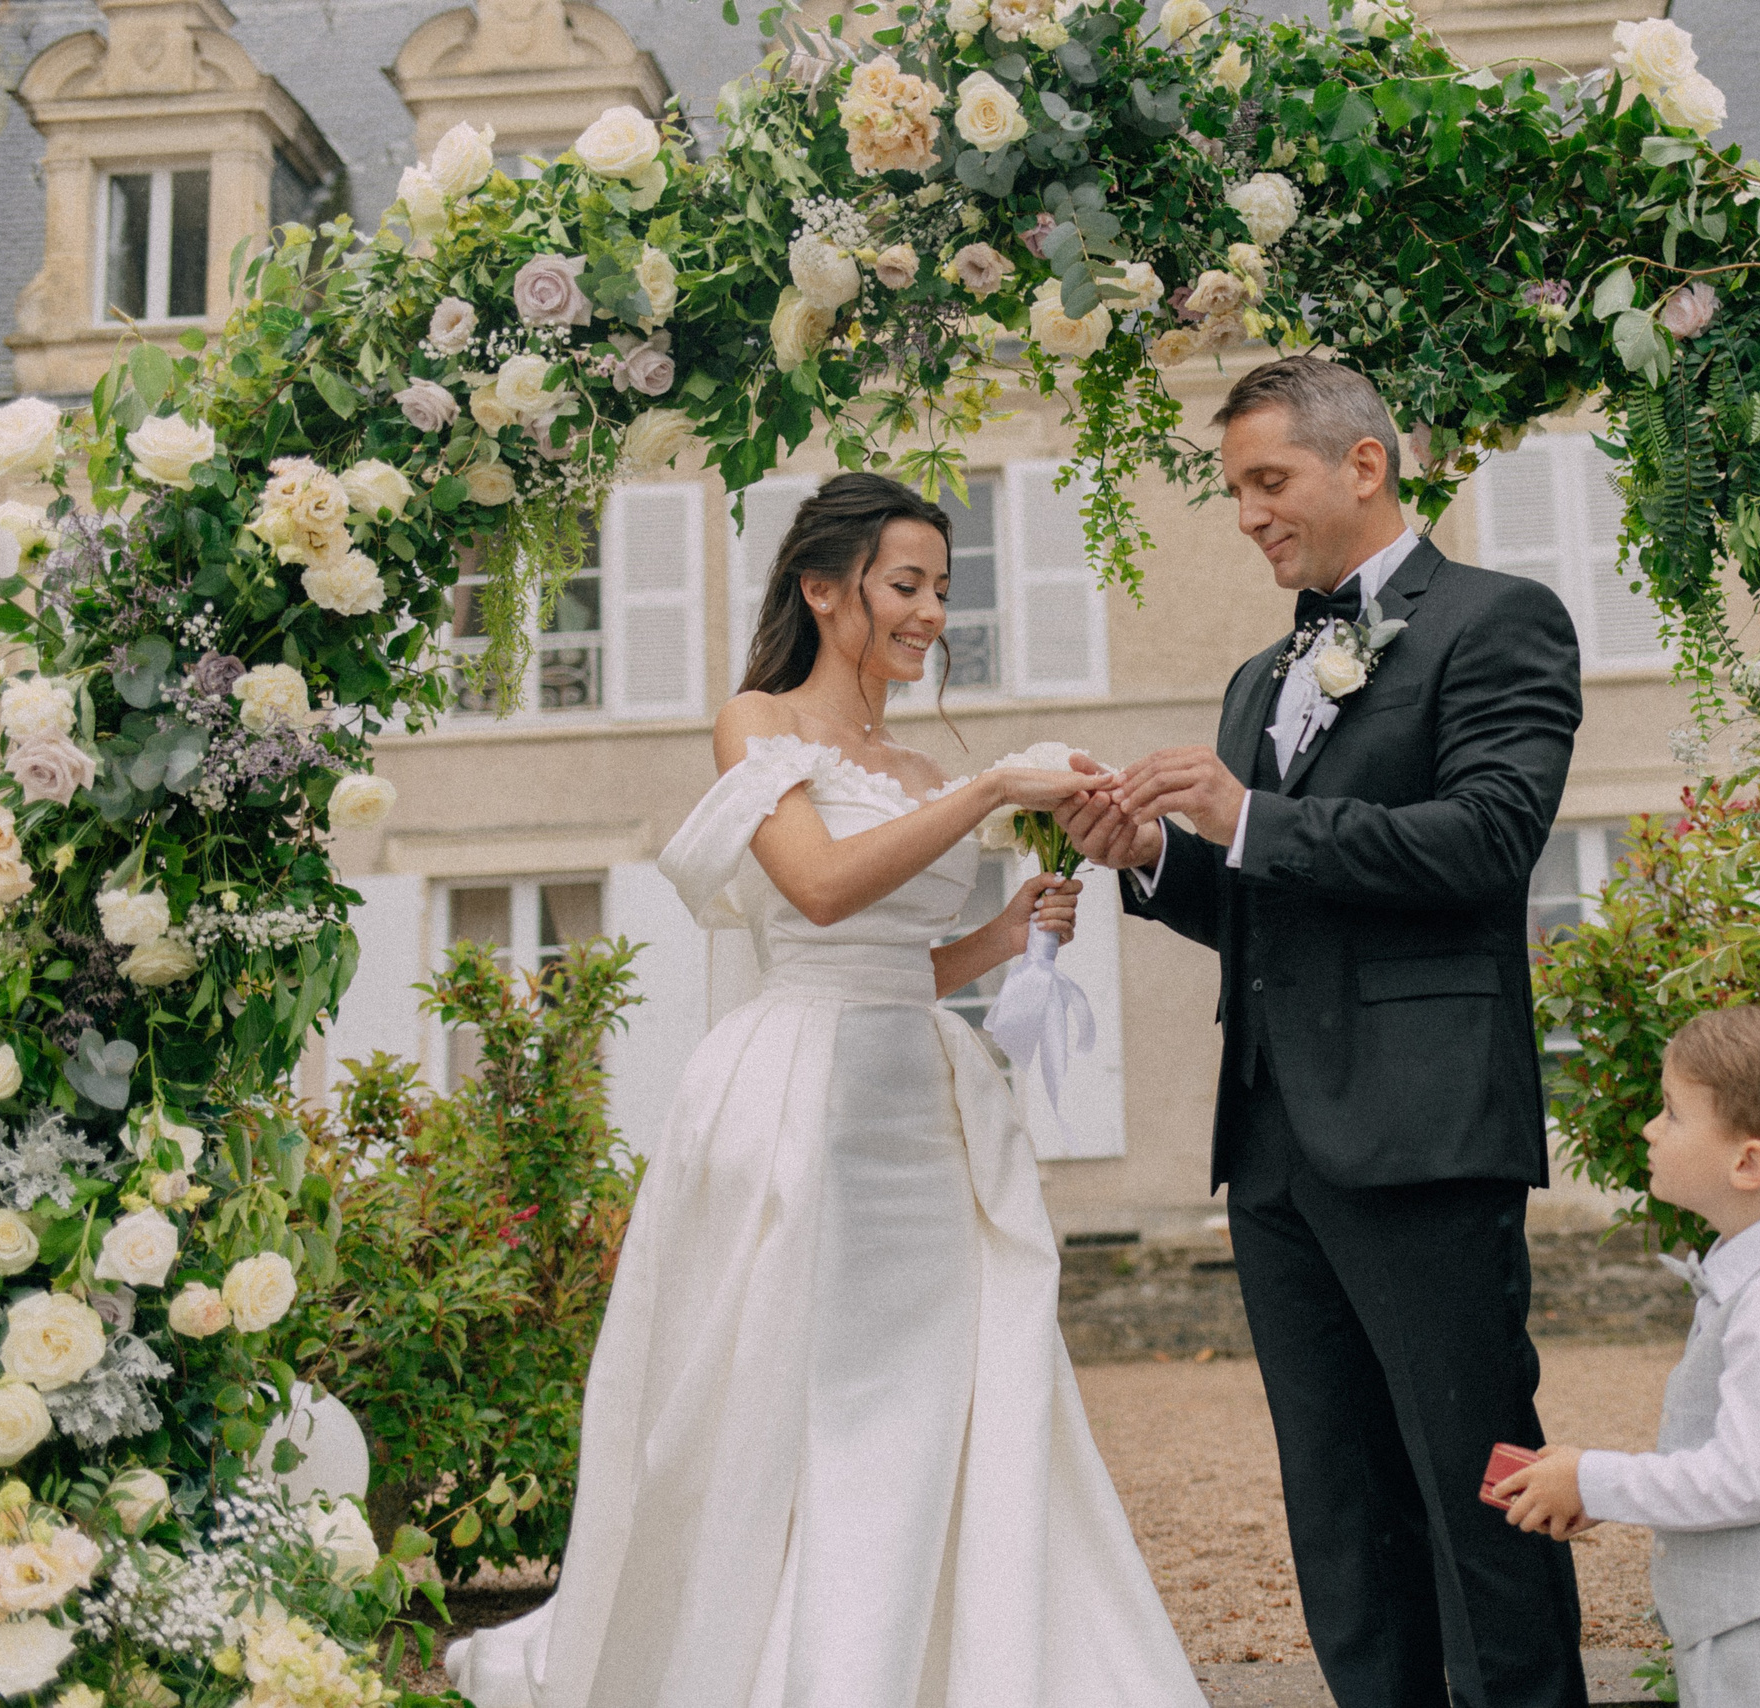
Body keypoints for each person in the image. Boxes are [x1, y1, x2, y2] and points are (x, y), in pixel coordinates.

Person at [448, 472, 1208, 1708]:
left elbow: (902, 961)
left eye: (942, 591)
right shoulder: (756, 724)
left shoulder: (916, 761)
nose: (927, 613)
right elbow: (815, 893)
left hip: (917, 1100)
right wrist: (991, 791)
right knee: (797, 1397)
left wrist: (1003, 934)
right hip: (802, 1101)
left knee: (929, 1401)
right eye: (904, 585)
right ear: (822, 585)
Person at [1061, 355, 1589, 1708]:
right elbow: (1265, 912)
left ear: (1365, 463)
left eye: (1267, 481)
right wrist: (1152, 862)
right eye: (1235, 490)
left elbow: (1485, 843)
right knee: (1338, 1507)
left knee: (1476, 1488)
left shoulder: (1501, 621)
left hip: (1421, 1130)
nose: (1247, 514)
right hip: (1277, 1146)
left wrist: (1249, 819)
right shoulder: (1257, 680)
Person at [1492, 1004, 1760, 1708]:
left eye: (1672, 1113)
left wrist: (1597, 1480)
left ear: (1748, 1163)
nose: (1650, 1128)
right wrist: (1598, 1490)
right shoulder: (1752, 1278)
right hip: (1750, 1638)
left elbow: (1745, 1481)